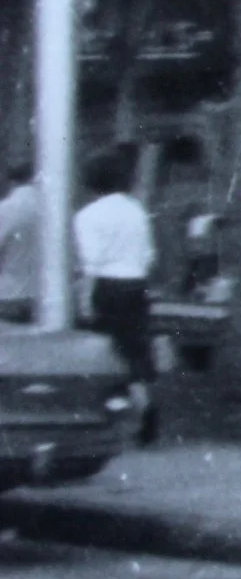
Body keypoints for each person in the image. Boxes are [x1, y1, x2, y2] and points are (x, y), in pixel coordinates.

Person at [75, 150, 157, 444]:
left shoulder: (87, 216)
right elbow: (148, 255)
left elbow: (90, 261)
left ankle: (107, 415)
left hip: (106, 287)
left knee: (103, 352)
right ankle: (145, 411)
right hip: (136, 284)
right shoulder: (137, 211)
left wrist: (85, 298)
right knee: (135, 351)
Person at [0, 163, 37, 325]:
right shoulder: (57, 209)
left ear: (11, 181)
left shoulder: (6, 209)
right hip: (49, 297)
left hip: (11, 294)